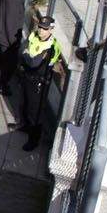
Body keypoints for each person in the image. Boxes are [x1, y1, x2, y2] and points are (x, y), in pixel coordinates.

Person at [9, 14, 67, 152]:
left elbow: (33, 63)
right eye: (40, 27)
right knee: (23, 103)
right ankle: (24, 125)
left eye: (45, 29)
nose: (41, 30)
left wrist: (26, 54)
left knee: (35, 112)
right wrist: (26, 55)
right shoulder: (34, 35)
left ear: (51, 30)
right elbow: (23, 50)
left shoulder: (52, 46)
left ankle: (34, 140)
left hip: (38, 84)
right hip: (27, 77)